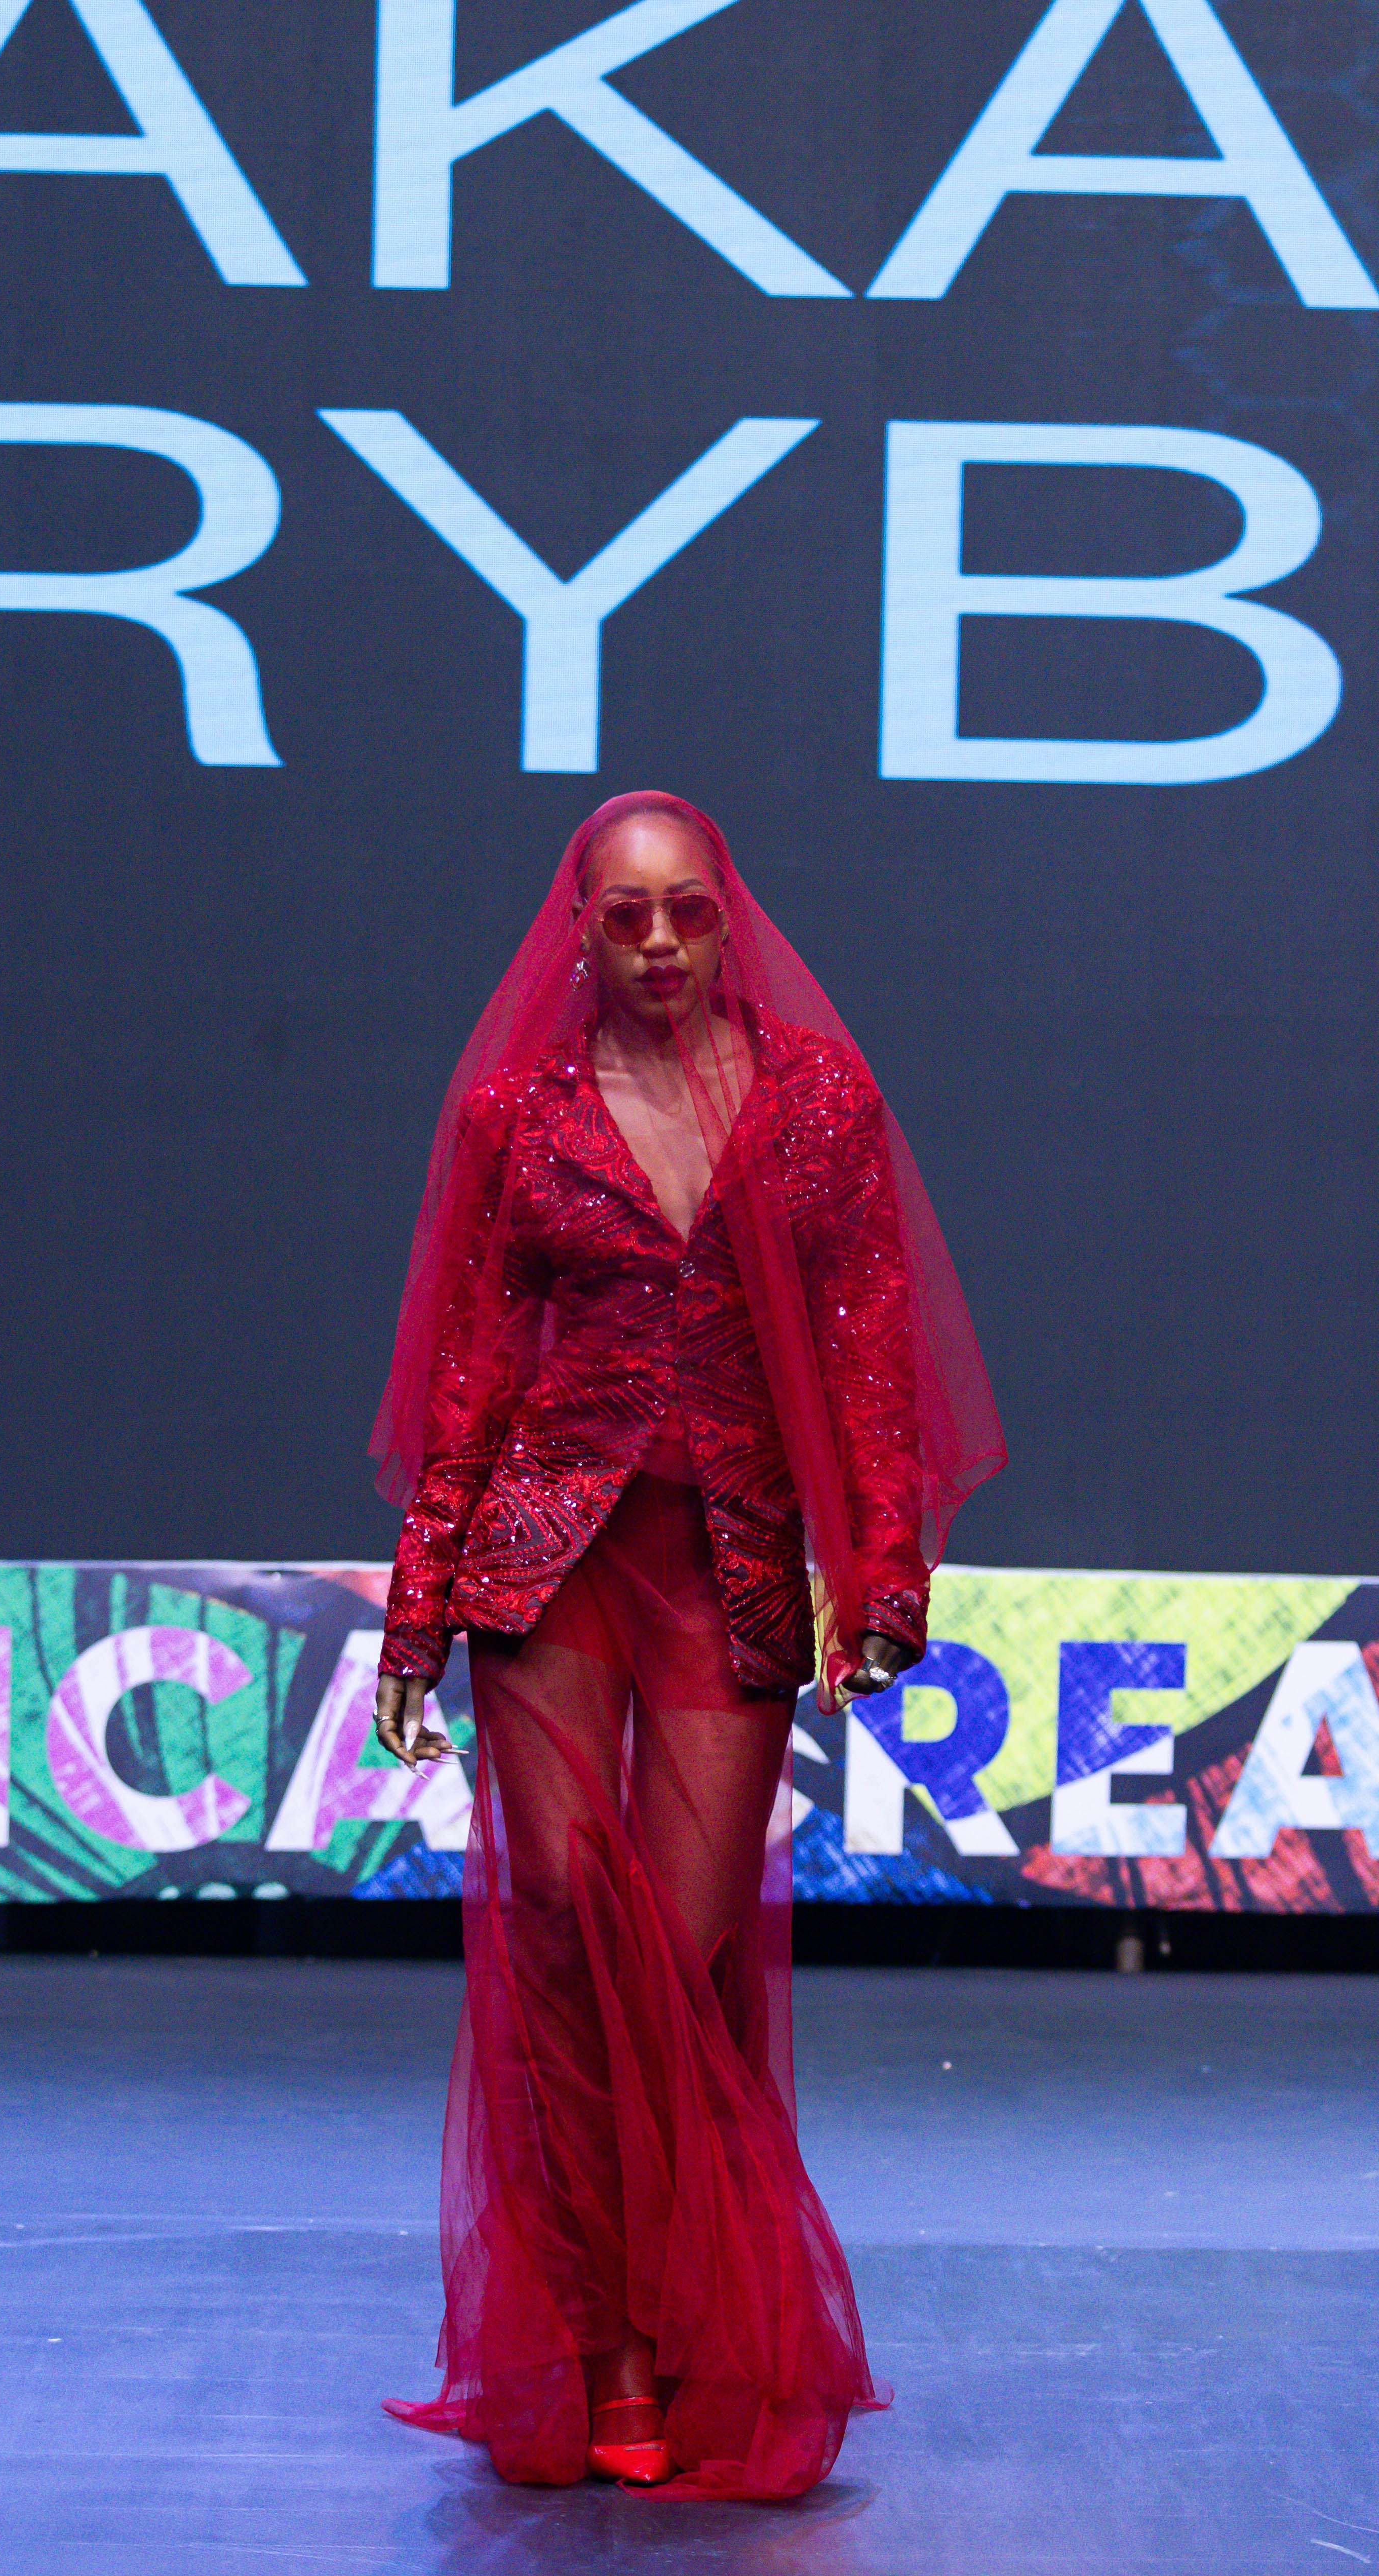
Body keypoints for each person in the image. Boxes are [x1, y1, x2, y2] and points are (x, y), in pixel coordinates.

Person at [370, 792, 1004, 2499]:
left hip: (727, 1562)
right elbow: (466, 1374)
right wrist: (417, 1615)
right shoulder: (519, 1112)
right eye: (626, 914)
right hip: (544, 1562)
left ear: (730, 914)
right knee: (564, 1937)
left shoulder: (817, 1102)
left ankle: (692, 2315)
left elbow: (870, 1349)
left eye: (687, 911)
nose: (658, 943)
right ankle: (609, 2348)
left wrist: (884, 1580)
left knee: (682, 1947)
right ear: (577, 926)